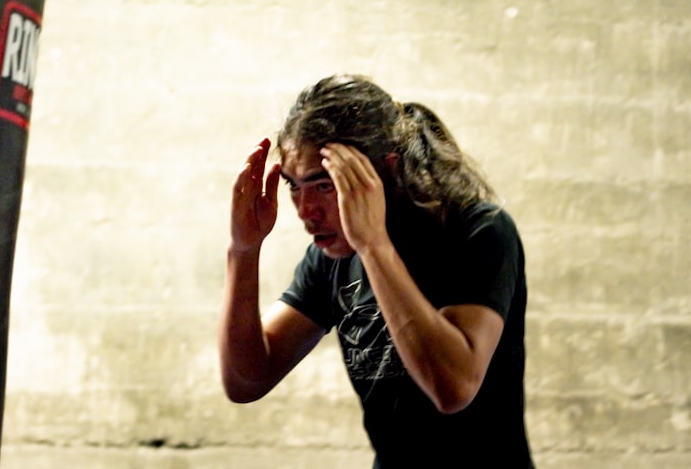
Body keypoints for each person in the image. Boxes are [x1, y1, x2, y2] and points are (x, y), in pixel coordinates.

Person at [219, 74, 534, 468]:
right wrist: (243, 250)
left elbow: (453, 387)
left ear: (386, 170)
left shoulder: (476, 231)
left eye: (324, 185)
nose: (305, 211)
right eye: (294, 187)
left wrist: (374, 245)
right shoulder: (331, 258)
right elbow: (246, 380)